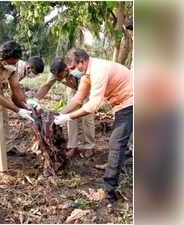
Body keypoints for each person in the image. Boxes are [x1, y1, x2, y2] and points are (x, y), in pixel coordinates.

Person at [54, 48, 133, 201]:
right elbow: (77, 99)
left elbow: (92, 106)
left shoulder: (98, 70)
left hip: (131, 101)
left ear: (82, 62)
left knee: (116, 143)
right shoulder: (86, 74)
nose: (71, 72)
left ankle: (108, 190)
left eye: (72, 68)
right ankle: (121, 164)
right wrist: (60, 114)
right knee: (121, 141)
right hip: (122, 103)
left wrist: (68, 118)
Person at [26, 57, 96, 158]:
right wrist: (36, 99)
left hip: (87, 88)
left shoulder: (80, 72)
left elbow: (79, 100)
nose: (58, 79)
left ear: (66, 70)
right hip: (73, 89)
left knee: (87, 117)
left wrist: (60, 113)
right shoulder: (56, 72)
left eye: (59, 76)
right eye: (56, 77)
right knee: (71, 117)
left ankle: (90, 147)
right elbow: (47, 85)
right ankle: (73, 146)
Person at [0, 40, 34, 172]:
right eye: (12, 62)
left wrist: (26, 106)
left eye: (15, 62)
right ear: (3, 57)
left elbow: (16, 89)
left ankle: (7, 147)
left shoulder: (14, 65)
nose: (14, 64)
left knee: (4, 121)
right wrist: (17, 110)